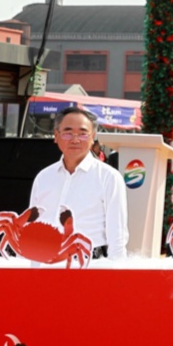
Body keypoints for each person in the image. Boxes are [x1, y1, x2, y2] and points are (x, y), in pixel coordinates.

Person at [27, 105, 129, 259]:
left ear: (93, 137)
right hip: (45, 261)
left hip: (89, 263)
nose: (75, 140)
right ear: (56, 135)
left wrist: (116, 269)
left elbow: (117, 236)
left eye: (82, 134)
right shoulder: (44, 177)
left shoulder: (109, 177)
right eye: (68, 133)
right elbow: (31, 223)